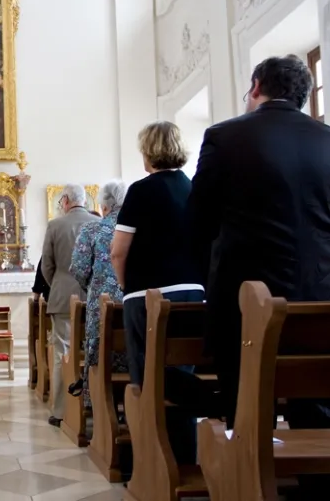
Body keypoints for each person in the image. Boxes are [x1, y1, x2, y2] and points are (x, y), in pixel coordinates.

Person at [186, 55, 330, 472]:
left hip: (246, 299)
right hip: (320, 297)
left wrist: (207, 276)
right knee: (317, 397)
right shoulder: (326, 139)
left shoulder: (226, 137)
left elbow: (198, 220)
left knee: (247, 402)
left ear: (254, 87)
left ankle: (248, 478)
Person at [110, 121, 207, 465]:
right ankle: (184, 459)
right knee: (181, 374)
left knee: (147, 379)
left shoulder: (141, 190)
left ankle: (151, 462)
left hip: (147, 294)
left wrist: (125, 287)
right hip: (193, 294)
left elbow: (118, 251)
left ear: (148, 152)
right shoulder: (195, 188)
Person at [67, 180, 129, 408]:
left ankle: (99, 406)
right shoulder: (141, 228)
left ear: (104, 207)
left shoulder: (93, 229)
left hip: (101, 305)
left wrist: (93, 287)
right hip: (135, 303)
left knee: (101, 349)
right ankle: (133, 403)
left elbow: (79, 268)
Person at [41, 184, 98, 427]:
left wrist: (60, 284)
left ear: (65, 200)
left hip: (63, 297)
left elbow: (47, 265)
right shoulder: (98, 223)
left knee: (62, 354)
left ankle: (60, 411)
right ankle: (93, 406)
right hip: (93, 296)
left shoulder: (55, 225)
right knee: (94, 353)